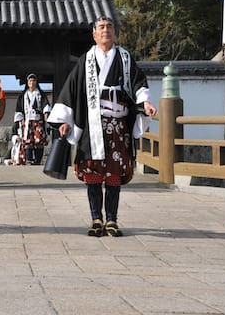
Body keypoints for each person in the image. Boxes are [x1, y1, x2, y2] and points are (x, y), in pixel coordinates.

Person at [47, 15, 157, 237]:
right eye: (101, 27)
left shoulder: (125, 58)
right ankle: (96, 218)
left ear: (114, 33)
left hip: (117, 125)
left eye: (109, 27)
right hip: (92, 126)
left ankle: (112, 220)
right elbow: (72, 90)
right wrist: (65, 121)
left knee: (114, 174)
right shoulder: (86, 59)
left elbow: (138, 82)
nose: (106, 30)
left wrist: (145, 101)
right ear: (94, 34)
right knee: (94, 173)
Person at [15, 73, 52, 165]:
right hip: (27, 121)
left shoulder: (41, 94)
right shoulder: (23, 95)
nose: (32, 82)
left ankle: (38, 160)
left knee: (39, 141)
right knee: (28, 141)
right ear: (27, 83)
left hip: (38, 120)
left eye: (34, 81)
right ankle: (29, 159)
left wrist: (46, 114)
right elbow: (19, 109)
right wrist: (21, 120)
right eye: (30, 81)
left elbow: (45, 105)